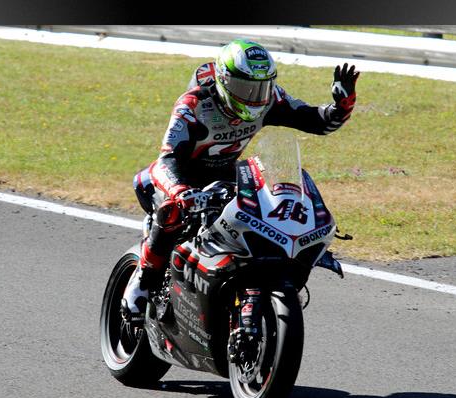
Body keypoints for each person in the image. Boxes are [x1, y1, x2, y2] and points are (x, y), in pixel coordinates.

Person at [121, 38, 360, 328]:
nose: (254, 97)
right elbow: (167, 160)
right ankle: (141, 284)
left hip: (224, 177)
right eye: (246, 88)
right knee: (172, 211)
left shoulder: (270, 99)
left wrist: (341, 105)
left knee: (269, 208)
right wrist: (181, 191)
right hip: (178, 178)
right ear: (224, 81)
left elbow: (315, 121)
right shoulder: (194, 105)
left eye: (262, 87)